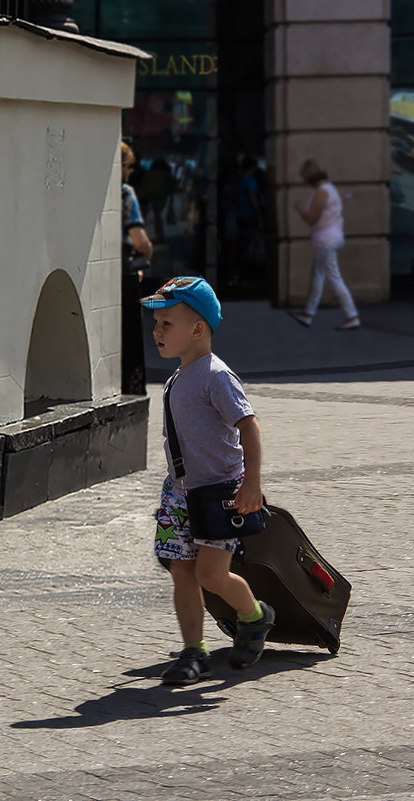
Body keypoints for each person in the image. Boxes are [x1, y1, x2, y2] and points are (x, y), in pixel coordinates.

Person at [140, 276, 275, 686]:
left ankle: (255, 616)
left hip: (220, 493)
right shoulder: (178, 378)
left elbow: (248, 427)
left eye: (166, 323)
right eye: (156, 323)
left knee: (210, 575)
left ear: (197, 329)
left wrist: (251, 484)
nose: (156, 331)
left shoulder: (216, 376)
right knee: (182, 571)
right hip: (179, 493)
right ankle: (193, 652)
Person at [290, 159, 360, 331]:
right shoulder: (330, 189)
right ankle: (308, 314)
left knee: (334, 277)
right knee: (318, 276)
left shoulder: (322, 192)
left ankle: (352, 316)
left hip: (325, 240)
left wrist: (299, 209)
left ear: (309, 176)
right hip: (331, 238)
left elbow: (311, 218)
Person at [121, 141, 154, 395]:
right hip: (124, 276)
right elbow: (140, 240)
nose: (128, 172)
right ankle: (130, 394)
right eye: (127, 166)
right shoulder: (124, 193)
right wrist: (147, 254)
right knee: (130, 342)